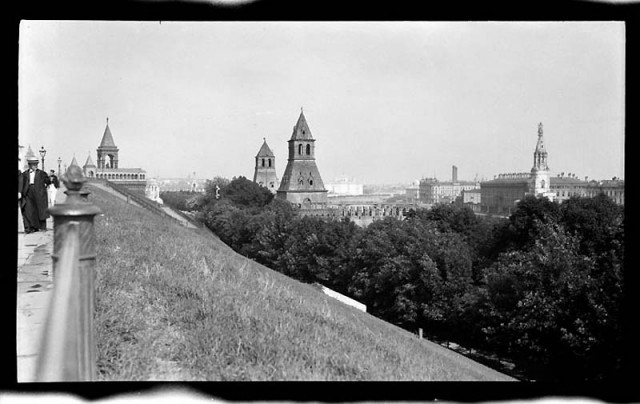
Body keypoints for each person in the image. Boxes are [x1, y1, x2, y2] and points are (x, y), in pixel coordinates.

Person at [20, 156, 51, 233]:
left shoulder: (42, 173)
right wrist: (20, 192)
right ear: (29, 165)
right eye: (33, 164)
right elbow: (21, 183)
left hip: (39, 192)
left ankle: (41, 227)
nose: (35, 166)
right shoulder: (25, 174)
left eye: (36, 164)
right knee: (28, 209)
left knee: (40, 209)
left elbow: (48, 181)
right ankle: (30, 227)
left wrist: (47, 182)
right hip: (28, 192)